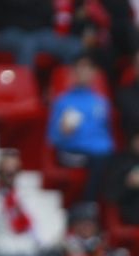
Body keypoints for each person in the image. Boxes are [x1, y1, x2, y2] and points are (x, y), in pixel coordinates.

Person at [47, 58, 116, 200]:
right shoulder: (63, 101)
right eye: (80, 71)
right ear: (73, 74)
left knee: (113, 162)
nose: (84, 74)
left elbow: (106, 133)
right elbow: (53, 137)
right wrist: (63, 132)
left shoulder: (101, 102)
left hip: (99, 153)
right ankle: (88, 203)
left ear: (93, 74)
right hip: (71, 152)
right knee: (100, 161)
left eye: (87, 71)